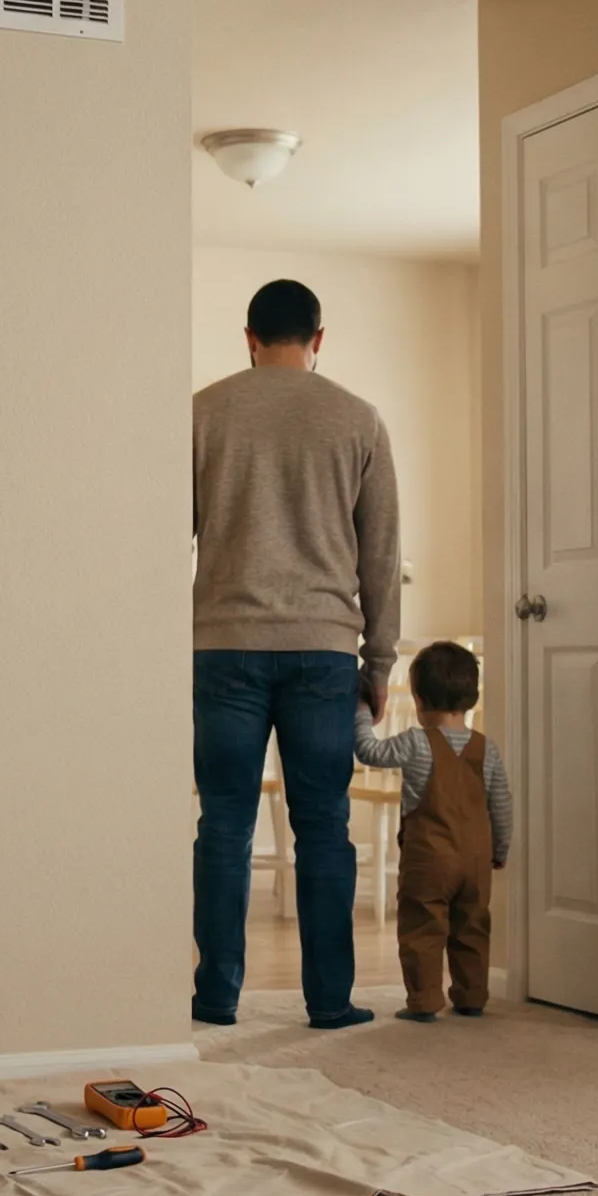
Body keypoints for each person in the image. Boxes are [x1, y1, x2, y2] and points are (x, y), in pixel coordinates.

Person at [190, 277, 401, 1029]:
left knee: (223, 825)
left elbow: (165, 537)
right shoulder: (358, 420)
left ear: (248, 338)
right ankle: (329, 1000)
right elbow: (380, 555)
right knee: (324, 827)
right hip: (323, 651)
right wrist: (378, 665)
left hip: (222, 649)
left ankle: (215, 997)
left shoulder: (203, 412)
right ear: (318, 341)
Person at [353, 642, 510, 1022]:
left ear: (419, 699)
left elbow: (368, 751)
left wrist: (360, 709)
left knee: (423, 927)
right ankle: (472, 997)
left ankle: (423, 1001)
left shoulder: (415, 741)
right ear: (471, 697)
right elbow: (501, 805)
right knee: (472, 925)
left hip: (428, 859)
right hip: (476, 860)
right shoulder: (487, 749)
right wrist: (500, 848)